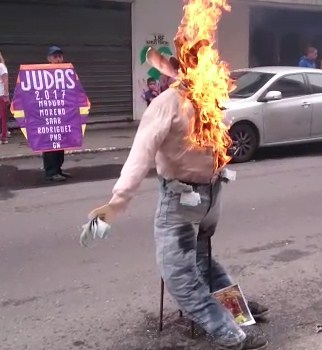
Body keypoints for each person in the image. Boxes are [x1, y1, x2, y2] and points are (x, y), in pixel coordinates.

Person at [87, 50, 269, 349]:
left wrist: (117, 202)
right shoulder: (209, 99)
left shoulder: (168, 103)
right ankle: (240, 312)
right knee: (203, 260)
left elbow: (140, 156)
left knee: (179, 277)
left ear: (177, 70)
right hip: (211, 197)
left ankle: (230, 333)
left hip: (183, 202)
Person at [42, 46, 70, 182]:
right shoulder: (42, 73)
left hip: (61, 113)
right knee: (50, 144)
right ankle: (51, 171)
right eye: (55, 57)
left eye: (60, 56)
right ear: (49, 58)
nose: (58, 59)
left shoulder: (66, 72)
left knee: (61, 143)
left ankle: (58, 169)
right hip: (48, 114)